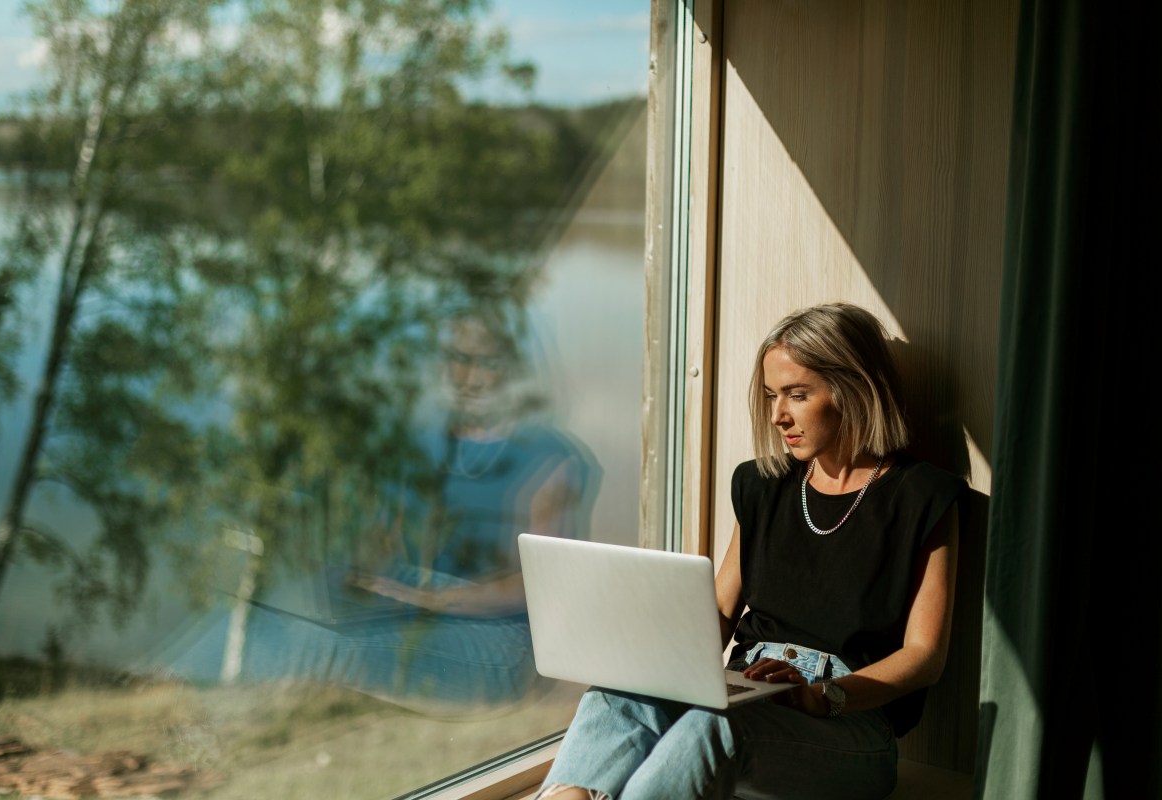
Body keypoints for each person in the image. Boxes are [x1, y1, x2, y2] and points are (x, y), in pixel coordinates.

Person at [536, 302, 965, 800]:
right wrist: (646, 661)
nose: (778, 415)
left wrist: (822, 696)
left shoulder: (924, 496)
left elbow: (924, 656)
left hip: (850, 722)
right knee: (614, 698)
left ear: (853, 389)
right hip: (745, 683)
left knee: (711, 727)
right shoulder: (763, 485)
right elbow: (720, 609)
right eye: (771, 396)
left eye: (797, 395)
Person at [162, 298, 601, 717]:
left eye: (486, 361)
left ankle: (205, 723)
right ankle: (164, 690)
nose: (465, 375)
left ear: (518, 368)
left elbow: (539, 585)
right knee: (260, 617)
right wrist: (340, 569)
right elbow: (387, 540)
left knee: (328, 650)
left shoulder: (551, 458)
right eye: (455, 357)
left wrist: (436, 599)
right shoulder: (423, 439)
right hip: (412, 602)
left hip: (499, 639)